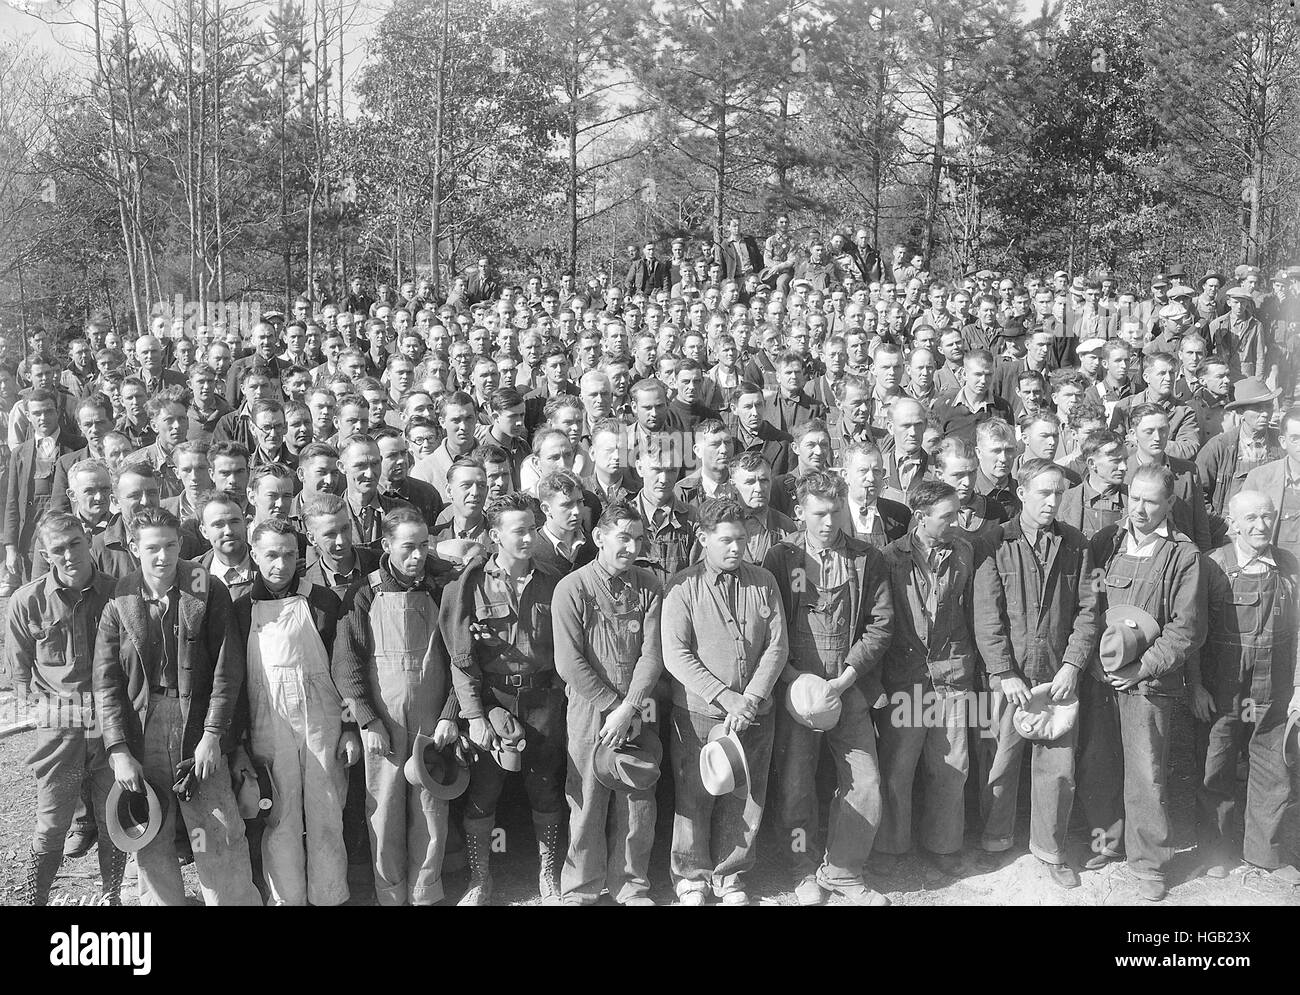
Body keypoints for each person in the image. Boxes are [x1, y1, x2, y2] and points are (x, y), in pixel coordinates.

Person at [92, 507, 262, 906]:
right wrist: (118, 751)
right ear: (134, 548)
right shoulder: (120, 598)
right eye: (152, 548)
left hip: (196, 724)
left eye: (170, 545)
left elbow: (227, 670)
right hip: (143, 725)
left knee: (216, 831)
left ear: (182, 543)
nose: (163, 557)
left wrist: (213, 736)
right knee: (152, 833)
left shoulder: (206, 588)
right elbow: (106, 683)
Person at [763, 471, 894, 906]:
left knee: (866, 783)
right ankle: (803, 869)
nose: (828, 521)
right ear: (799, 512)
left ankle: (843, 869)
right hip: (796, 690)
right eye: (818, 513)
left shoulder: (865, 558)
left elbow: (880, 625)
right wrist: (794, 680)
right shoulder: (782, 558)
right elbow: (769, 627)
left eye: (835, 511)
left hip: (848, 688)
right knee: (797, 786)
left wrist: (846, 678)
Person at [1077, 464, 1207, 902]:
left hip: (1149, 685)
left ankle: (1149, 864)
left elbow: (1185, 629)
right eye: (1135, 498)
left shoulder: (1184, 557)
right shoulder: (1104, 543)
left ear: (1170, 504)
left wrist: (1141, 668)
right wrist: (1096, 663)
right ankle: (1104, 843)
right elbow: (1089, 605)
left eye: (1152, 501)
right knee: (1099, 762)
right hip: (1101, 678)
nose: (1140, 509)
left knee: (1146, 772)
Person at [973, 459, 1101, 888]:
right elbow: (987, 615)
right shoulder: (994, 541)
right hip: (1008, 677)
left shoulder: (1077, 545)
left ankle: (1049, 849)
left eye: (1059, 493)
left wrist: (1073, 663)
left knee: (1057, 767)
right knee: (1000, 762)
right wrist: (1004, 671)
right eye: (1043, 492)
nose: (1052, 501)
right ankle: (995, 840)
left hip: (1056, 675)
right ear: (1022, 492)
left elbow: (1088, 610)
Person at [661, 497, 788, 906]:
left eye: (743, 540)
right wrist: (725, 696)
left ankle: (730, 874)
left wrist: (750, 698)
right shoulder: (682, 586)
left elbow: (777, 646)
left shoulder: (765, 581)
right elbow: (676, 653)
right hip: (699, 713)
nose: (737, 548)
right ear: (703, 537)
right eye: (727, 540)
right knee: (695, 794)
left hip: (755, 713)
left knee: (747, 794)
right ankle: (691, 876)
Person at [441, 492, 567, 905]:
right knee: (483, 791)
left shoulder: (554, 580)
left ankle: (548, 875)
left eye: (532, 529)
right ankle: (481, 879)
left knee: (545, 789)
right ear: (495, 536)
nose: (528, 538)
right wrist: (476, 716)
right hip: (493, 700)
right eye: (519, 531)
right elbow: (461, 661)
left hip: (543, 698)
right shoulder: (469, 587)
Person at [333, 506, 459, 906]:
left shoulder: (442, 590)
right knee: (383, 808)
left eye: (424, 546)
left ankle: (426, 892)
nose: (417, 556)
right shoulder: (364, 593)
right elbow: (346, 664)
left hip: (431, 718)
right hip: (384, 721)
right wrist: (368, 722)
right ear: (386, 546)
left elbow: (462, 659)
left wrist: (450, 715)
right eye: (408, 547)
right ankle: (390, 894)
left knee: (430, 804)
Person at [232, 518, 356, 906]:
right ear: (254, 554)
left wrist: (351, 726)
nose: (281, 565)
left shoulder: (323, 602)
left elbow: (347, 667)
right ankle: (287, 900)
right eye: (271, 555)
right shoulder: (239, 609)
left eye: (290, 555)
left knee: (327, 812)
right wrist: (237, 743)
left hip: (323, 718)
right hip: (267, 720)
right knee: (279, 817)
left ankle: (330, 897)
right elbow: (231, 681)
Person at [551, 501, 665, 906]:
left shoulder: (650, 586)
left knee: (637, 796)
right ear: (598, 537)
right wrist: (612, 706)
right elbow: (568, 661)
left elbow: (653, 654)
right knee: (586, 796)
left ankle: (631, 884)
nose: (631, 547)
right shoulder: (572, 588)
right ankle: (581, 885)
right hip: (588, 708)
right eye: (623, 537)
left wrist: (630, 707)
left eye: (638, 539)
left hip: (638, 708)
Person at [9, 513, 125, 906]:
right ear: (45, 554)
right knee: (53, 819)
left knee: (115, 814)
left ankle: (112, 897)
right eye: (58, 549)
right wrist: (48, 713)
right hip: (61, 723)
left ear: (88, 539)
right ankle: (35, 900)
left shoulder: (118, 592)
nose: (69, 554)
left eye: (75, 543)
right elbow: (21, 676)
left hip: (112, 718)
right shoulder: (27, 600)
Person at [874, 480, 988, 879]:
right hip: (906, 677)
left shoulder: (965, 552)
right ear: (921, 518)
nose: (957, 522)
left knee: (952, 764)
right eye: (948, 516)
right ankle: (891, 845)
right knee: (898, 766)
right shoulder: (889, 558)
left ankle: (944, 845)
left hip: (953, 674)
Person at [1188, 490, 1300, 885]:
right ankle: (1215, 849)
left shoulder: (1288, 565)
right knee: (1215, 767)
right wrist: (1197, 686)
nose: (1261, 526)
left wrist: (1299, 688)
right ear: (1233, 524)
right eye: (1250, 518)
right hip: (1223, 687)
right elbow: (1192, 633)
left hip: (1275, 686)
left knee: (1274, 769)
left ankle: (1265, 852)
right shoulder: (1212, 566)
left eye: (1267, 517)